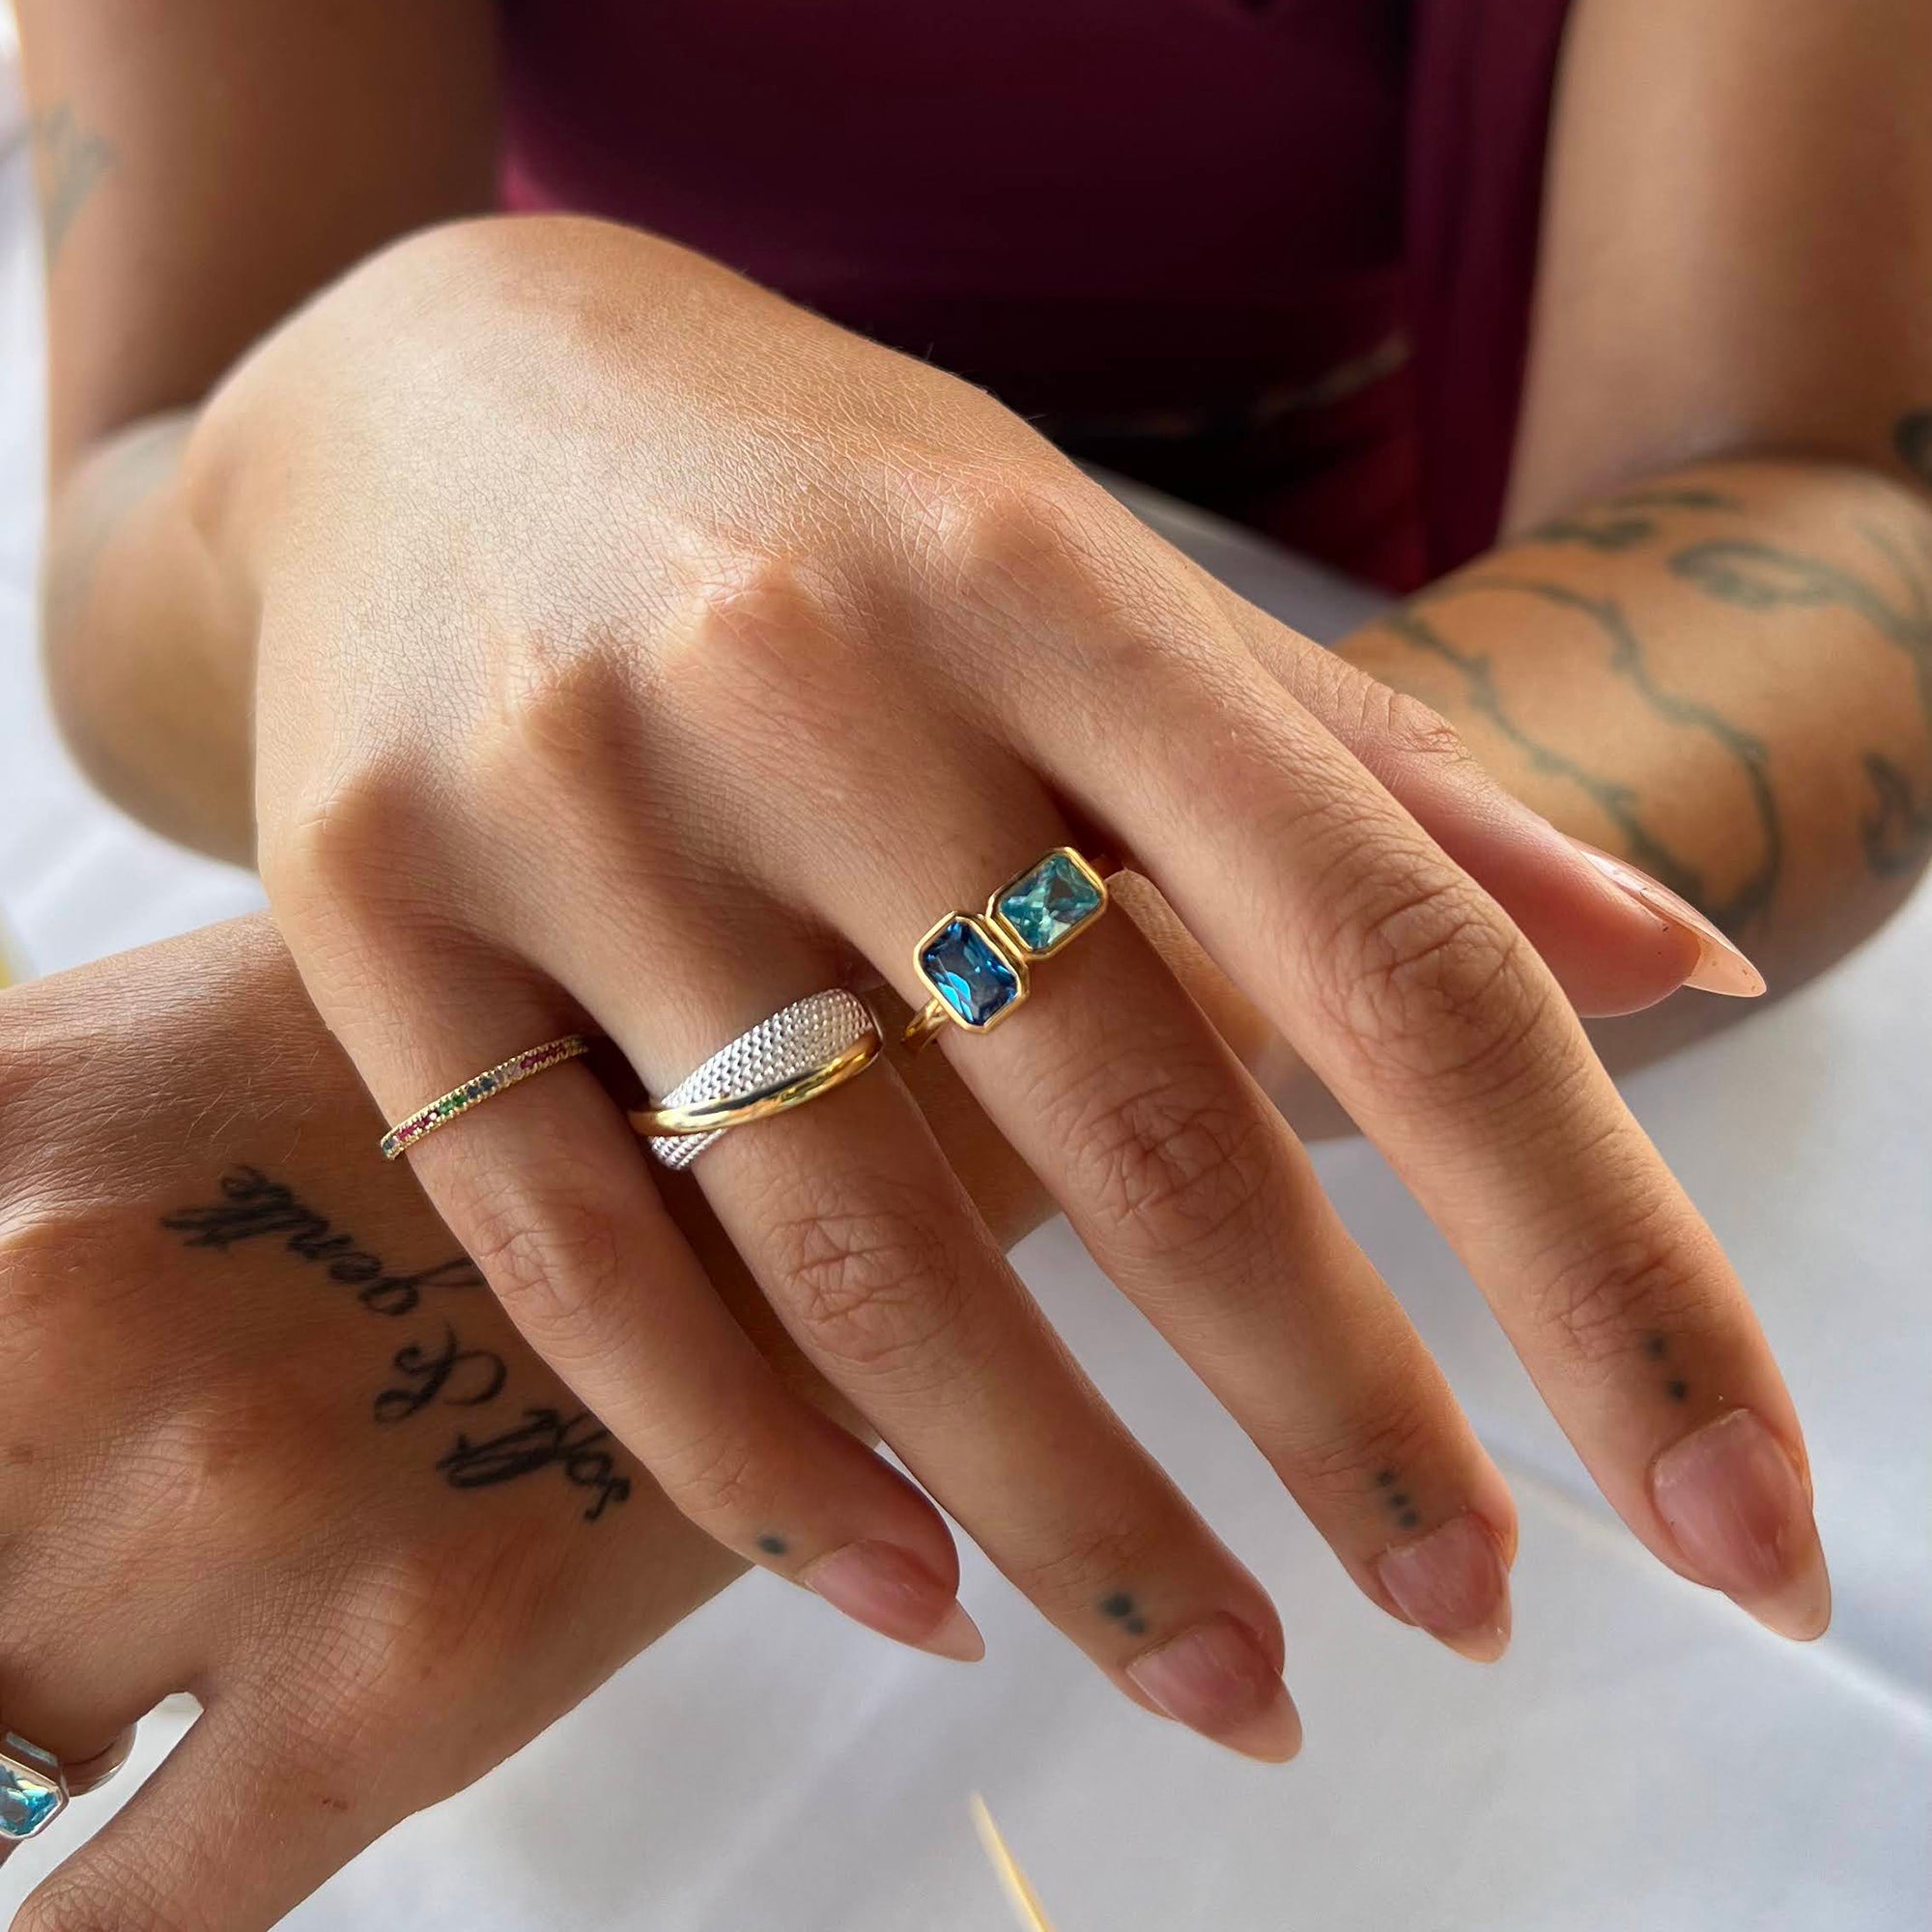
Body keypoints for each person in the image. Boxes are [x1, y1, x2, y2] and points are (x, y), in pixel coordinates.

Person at [9, 0, 1932, 1922]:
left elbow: (1808, 492)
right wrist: (405, 380)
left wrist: (932, 1007)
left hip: (1397, 648)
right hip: (472, 587)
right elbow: (133, 484)